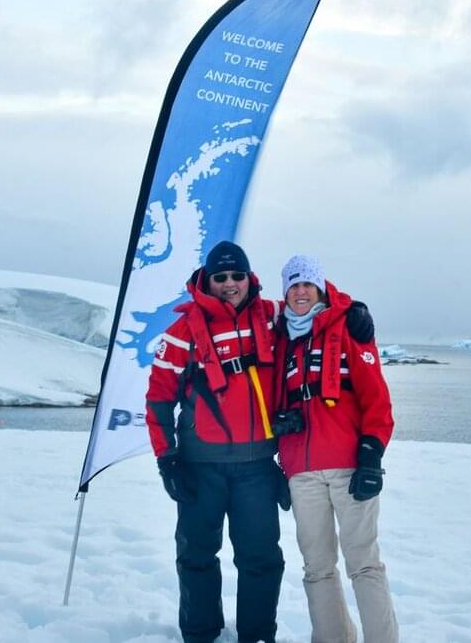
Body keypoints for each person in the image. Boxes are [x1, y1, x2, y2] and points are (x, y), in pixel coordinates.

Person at [145, 241, 375, 643]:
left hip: (256, 469)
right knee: (196, 556)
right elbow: (158, 401)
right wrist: (167, 459)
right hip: (200, 468)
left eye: (237, 275)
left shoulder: (271, 317)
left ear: (248, 278)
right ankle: (200, 633)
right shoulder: (181, 334)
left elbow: (313, 306)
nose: (229, 284)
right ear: (207, 281)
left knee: (262, 559)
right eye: (221, 277)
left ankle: (257, 635)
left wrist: (352, 309)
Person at [271, 255, 398, 643]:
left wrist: (371, 456)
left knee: (364, 564)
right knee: (317, 567)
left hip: (349, 467)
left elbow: (377, 399)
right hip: (302, 472)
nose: (300, 292)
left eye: (307, 285)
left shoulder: (348, 326)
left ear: (321, 288)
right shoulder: (282, 338)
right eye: (293, 286)